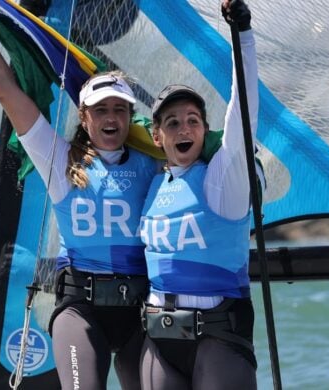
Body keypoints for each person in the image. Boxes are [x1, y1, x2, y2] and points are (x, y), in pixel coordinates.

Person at [0, 1, 159, 389]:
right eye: (100, 110)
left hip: (139, 311)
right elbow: (6, 91)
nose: (111, 118)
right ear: (84, 116)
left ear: (130, 118)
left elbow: (206, 147)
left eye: (120, 110)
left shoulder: (153, 162)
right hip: (80, 310)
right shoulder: (59, 159)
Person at [139, 0, 259, 388]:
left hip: (219, 339)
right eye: (172, 123)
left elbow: (243, 115)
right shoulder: (154, 181)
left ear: (206, 130)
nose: (184, 128)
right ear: (157, 137)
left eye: (193, 121)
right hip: (159, 341)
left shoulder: (223, 179)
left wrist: (243, 35)